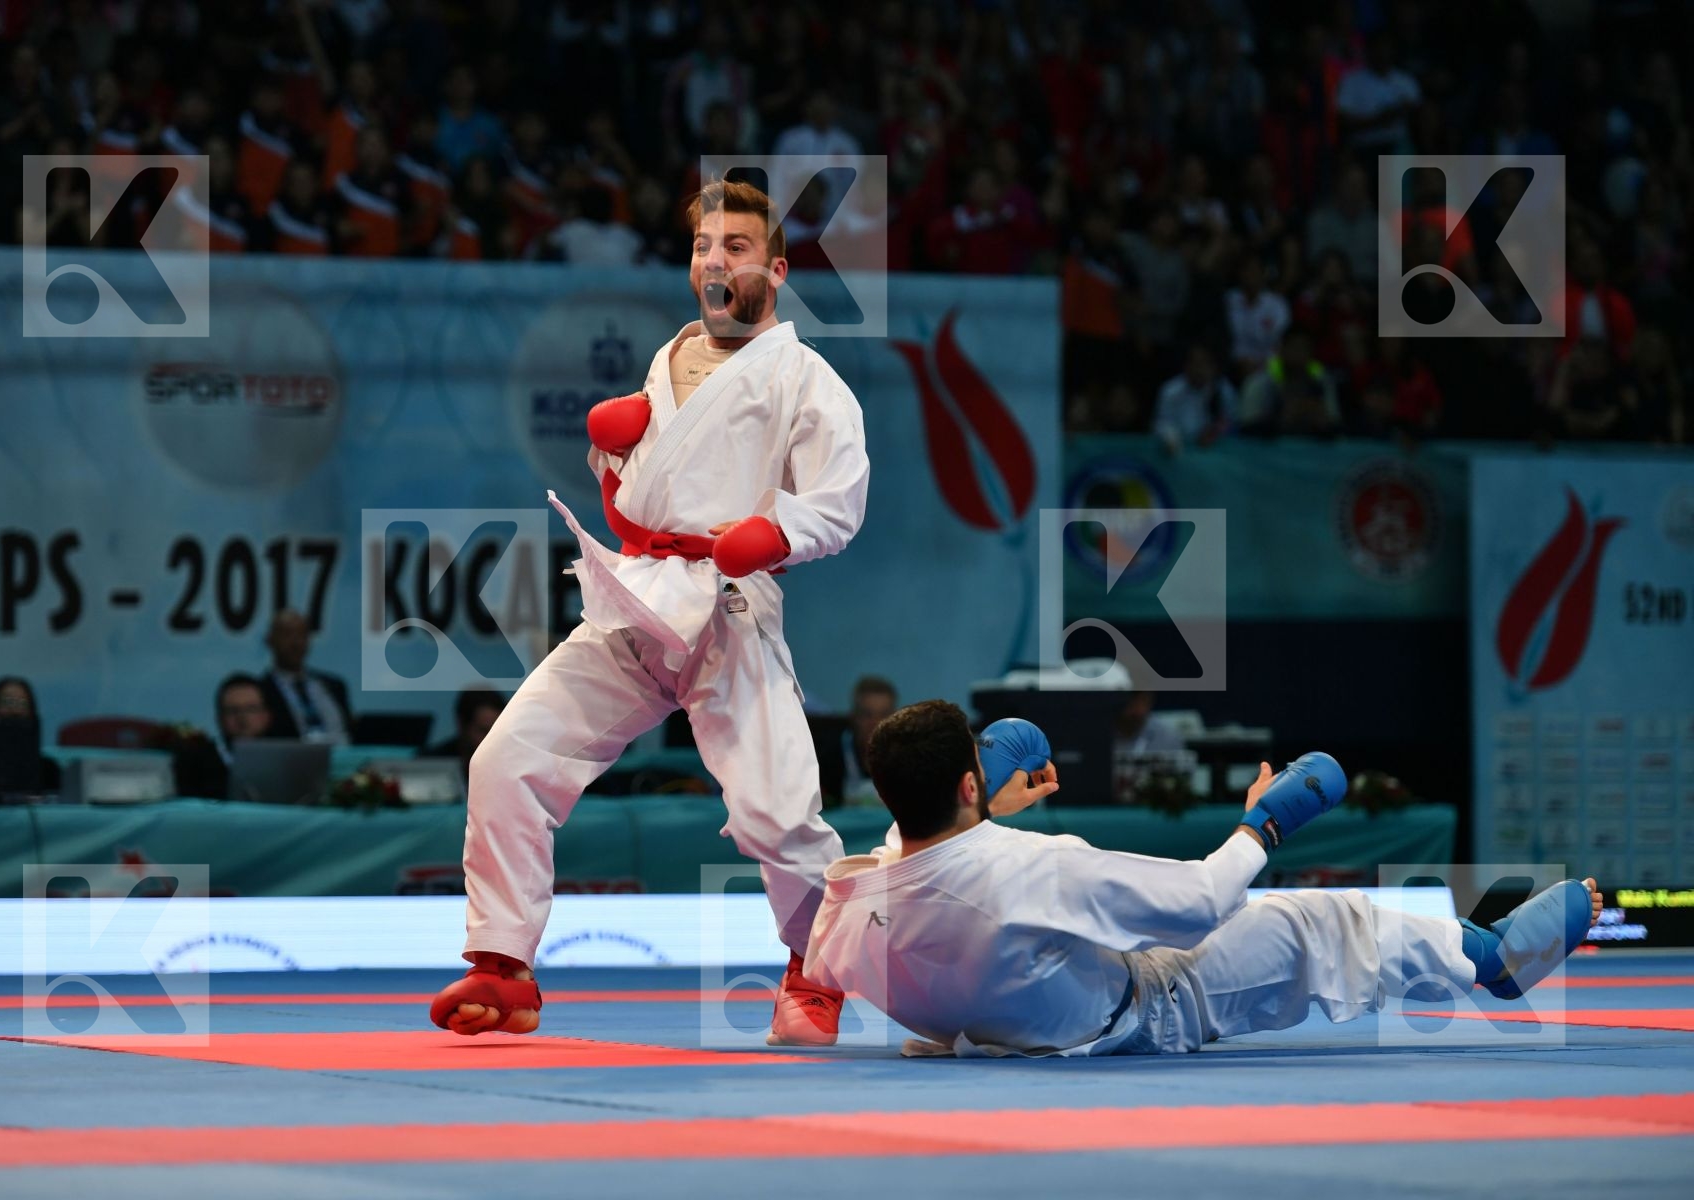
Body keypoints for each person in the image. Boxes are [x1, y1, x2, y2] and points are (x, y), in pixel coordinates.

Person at [431, 178, 870, 1048]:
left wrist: (775, 534)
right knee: (508, 759)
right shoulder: (669, 356)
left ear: (776, 270)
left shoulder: (806, 380)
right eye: (704, 246)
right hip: (636, 596)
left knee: (776, 815)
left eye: (736, 247)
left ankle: (816, 973)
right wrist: (612, 459)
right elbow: (649, 493)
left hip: (728, 607)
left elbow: (839, 502)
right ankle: (505, 966)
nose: (715, 261)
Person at [806, 701, 1603, 1057]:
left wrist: (981, 808)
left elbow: (919, 863)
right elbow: (1200, 904)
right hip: (1151, 1003)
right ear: (967, 785)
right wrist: (1265, 822)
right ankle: (1493, 961)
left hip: (1006, 1016)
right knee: (1317, 921)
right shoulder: (1028, 867)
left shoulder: (849, 904)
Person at [259, 609, 354, 743]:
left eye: (302, 635)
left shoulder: (335, 686)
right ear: (270, 640)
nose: (296, 642)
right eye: (287, 634)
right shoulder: (260, 692)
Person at [814, 676, 897, 807]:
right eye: (867, 715)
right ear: (854, 717)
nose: (875, 723)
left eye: (883, 715)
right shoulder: (829, 757)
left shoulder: (905, 759)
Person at [422, 687, 506, 781]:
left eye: (497, 732)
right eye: (484, 731)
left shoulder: (512, 763)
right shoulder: (431, 764)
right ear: (463, 726)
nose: (492, 741)